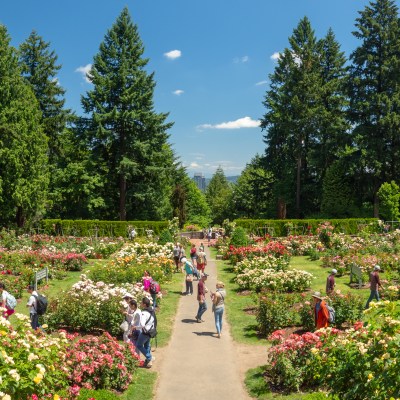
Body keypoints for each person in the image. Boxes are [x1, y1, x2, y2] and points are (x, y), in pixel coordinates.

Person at [136, 297, 156, 368]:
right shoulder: (151, 310)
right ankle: (148, 360)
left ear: (144, 304)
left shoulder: (144, 313)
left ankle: (150, 357)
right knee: (146, 345)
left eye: (141, 303)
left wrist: (136, 327)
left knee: (139, 345)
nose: (140, 304)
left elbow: (142, 324)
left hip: (145, 332)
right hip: (151, 331)